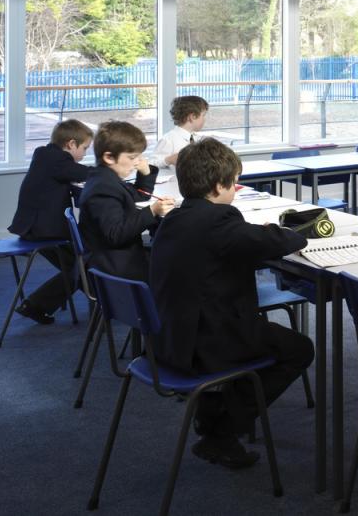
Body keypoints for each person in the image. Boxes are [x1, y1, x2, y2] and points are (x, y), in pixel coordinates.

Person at [150, 138, 314, 470]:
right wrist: (287, 232)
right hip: (210, 342)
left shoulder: (174, 219)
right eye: (234, 184)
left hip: (169, 338)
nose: (236, 191)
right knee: (299, 349)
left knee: (262, 337)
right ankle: (222, 432)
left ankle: (211, 419)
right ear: (219, 185)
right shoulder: (221, 221)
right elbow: (281, 241)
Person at [8, 119, 94, 325]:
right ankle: (37, 305)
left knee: (79, 264)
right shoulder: (59, 162)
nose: (84, 154)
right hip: (44, 230)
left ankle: (38, 305)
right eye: (84, 148)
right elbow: (86, 173)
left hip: (31, 226)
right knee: (83, 263)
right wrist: (112, 170)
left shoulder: (44, 154)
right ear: (71, 144)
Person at [77, 120, 175, 281]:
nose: (137, 162)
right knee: (181, 266)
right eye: (132, 157)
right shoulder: (103, 188)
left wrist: (145, 173)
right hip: (114, 266)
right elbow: (115, 235)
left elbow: (137, 197)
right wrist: (152, 211)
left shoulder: (105, 179)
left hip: (115, 258)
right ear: (109, 157)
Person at [152, 95, 209, 169]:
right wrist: (168, 160)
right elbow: (152, 164)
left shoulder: (197, 139)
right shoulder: (168, 140)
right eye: (203, 115)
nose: (205, 119)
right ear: (192, 117)